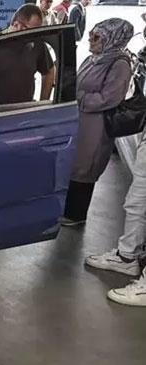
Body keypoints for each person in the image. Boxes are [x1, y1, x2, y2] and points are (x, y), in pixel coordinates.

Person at [61, 19, 134, 226]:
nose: (91, 41)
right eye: (91, 35)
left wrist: (80, 98)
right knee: (74, 163)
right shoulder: (93, 59)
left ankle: (76, 215)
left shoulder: (119, 64)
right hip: (80, 121)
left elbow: (110, 97)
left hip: (97, 125)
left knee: (86, 166)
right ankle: (66, 210)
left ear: (112, 39)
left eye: (96, 37)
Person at [0, 5, 55, 107]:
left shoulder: (37, 43)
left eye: (36, 32)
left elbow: (49, 71)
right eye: (30, 31)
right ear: (16, 24)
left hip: (24, 112)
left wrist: (43, 104)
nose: (33, 36)